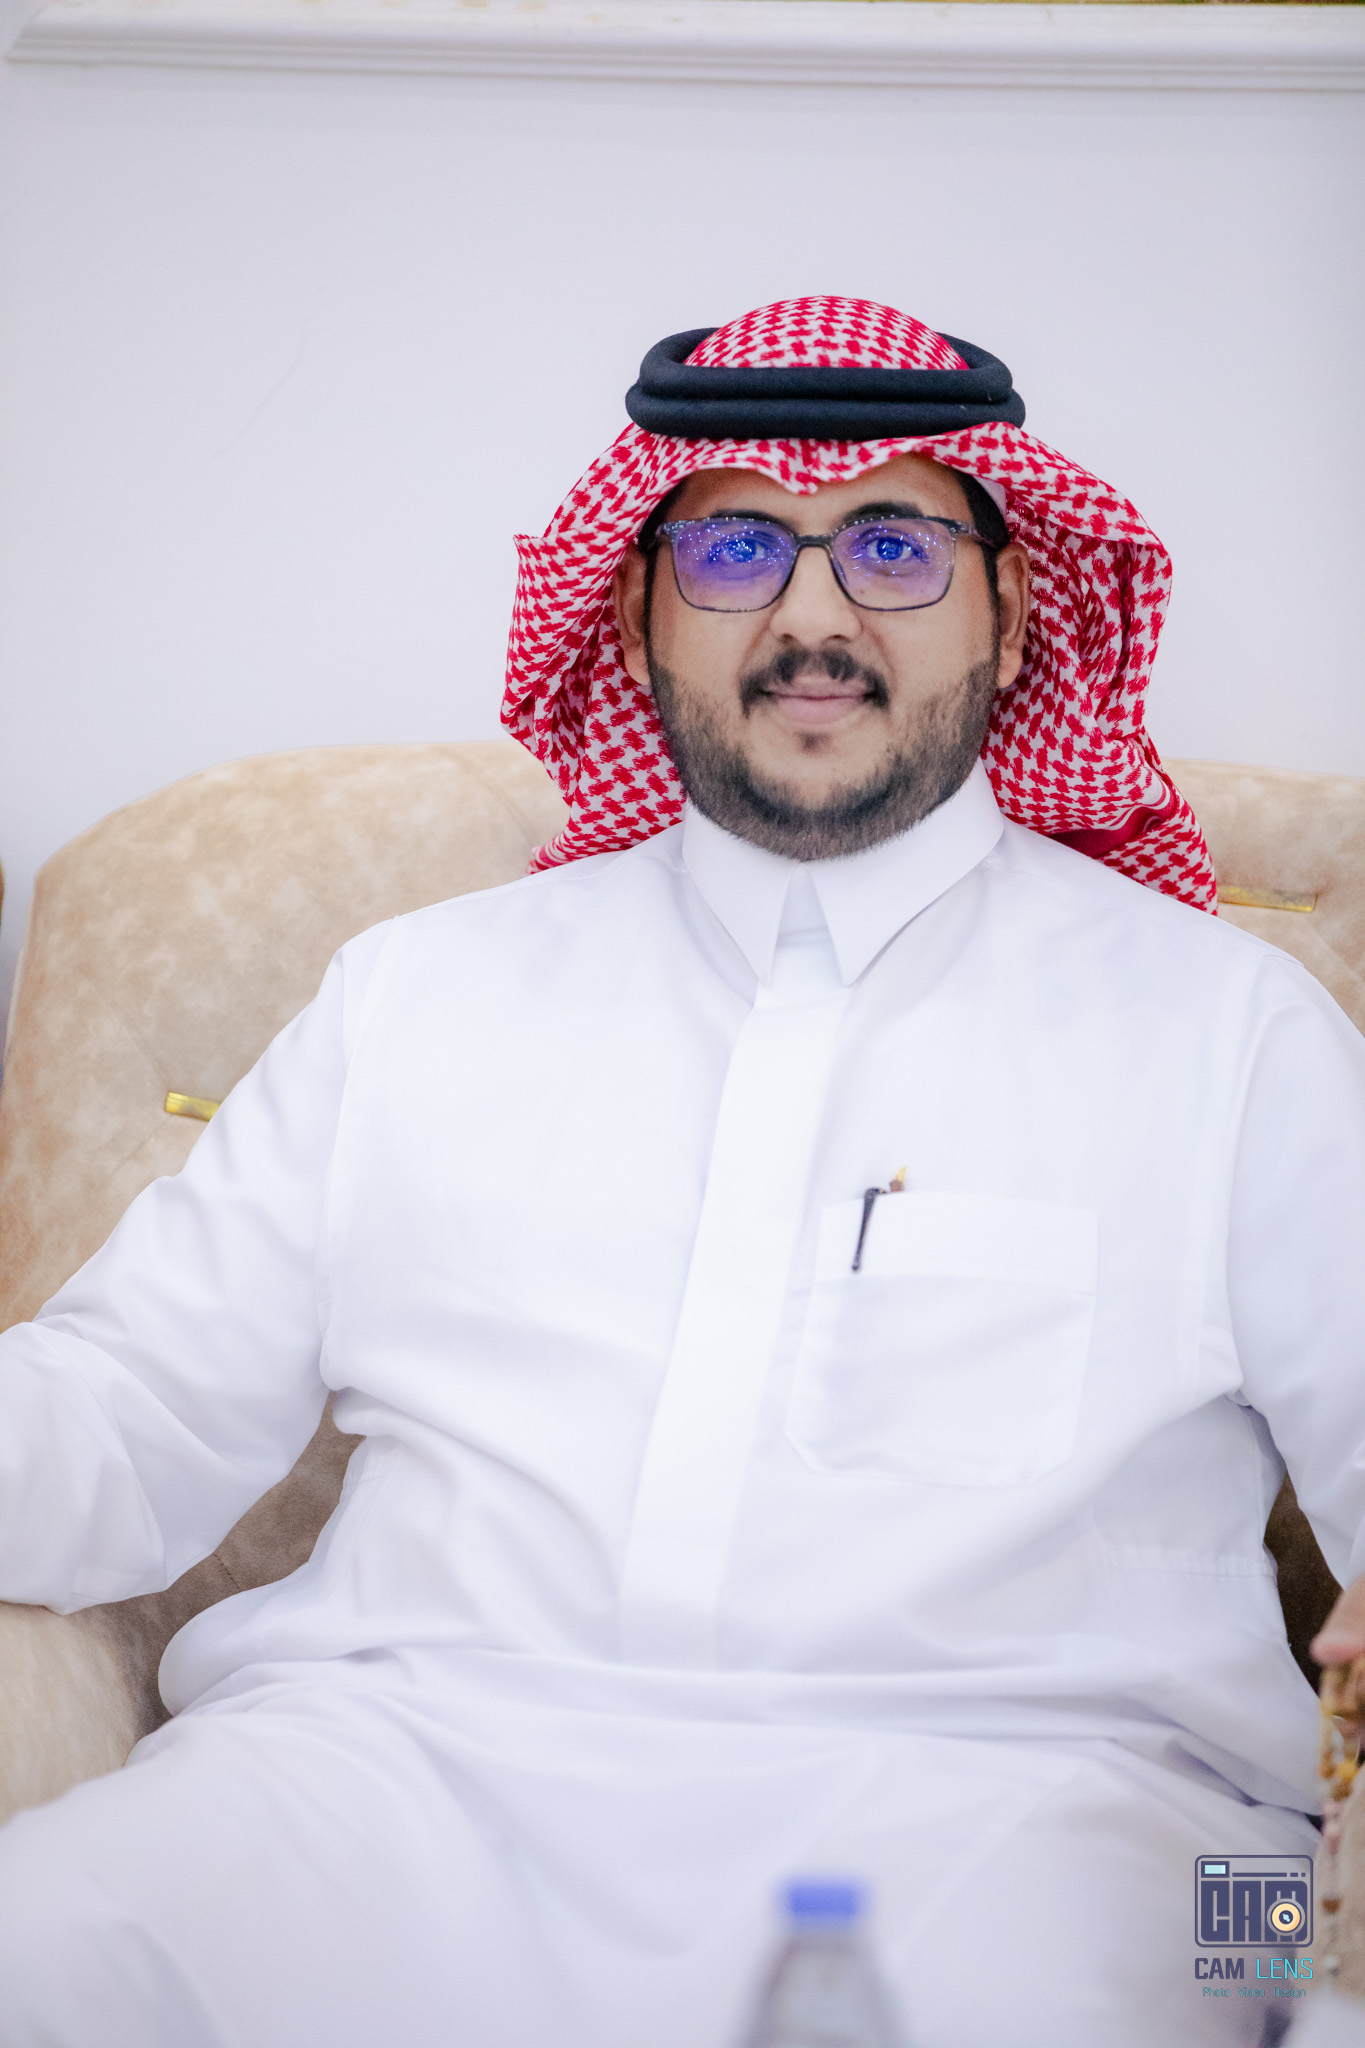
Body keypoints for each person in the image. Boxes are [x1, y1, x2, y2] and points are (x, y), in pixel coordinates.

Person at [0, 295, 1361, 2048]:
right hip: (396, 1778)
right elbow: (122, 1419)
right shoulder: (419, 995)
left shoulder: (1224, 1030)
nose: (812, 617)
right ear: (639, 607)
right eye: (733, 548)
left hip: (1047, 1810)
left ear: (1014, 607)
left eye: (892, 545)